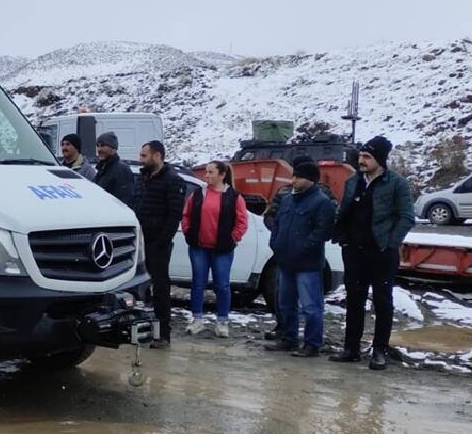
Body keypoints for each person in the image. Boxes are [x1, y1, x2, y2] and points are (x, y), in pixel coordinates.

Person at [329, 135, 415, 370]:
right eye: (361, 156)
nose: (362, 160)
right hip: (354, 251)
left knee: (382, 301)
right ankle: (351, 348)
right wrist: (342, 237)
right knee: (354, 300)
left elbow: (407, 216)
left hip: (381, 252)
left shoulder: (396, 183)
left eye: (367, 157)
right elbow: (344, 209)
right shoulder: (353, 181)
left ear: (380, 159)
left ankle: (379, 350)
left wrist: (390, 243)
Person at [264, 159, 336, 357]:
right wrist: (275, 243)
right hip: (285, 261)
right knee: (285, 303)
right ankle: (289, 339)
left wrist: (303, 248)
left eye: (298, 176)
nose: (293, 179)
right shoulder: (287, 200)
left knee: (311, 306)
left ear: (311, 180)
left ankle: (312, 344)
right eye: (293, 175)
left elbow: (323, 232)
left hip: (308, 264)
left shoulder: (322, 203)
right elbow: (276, 223)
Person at [181, 160, 248, 337]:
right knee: (198, 283)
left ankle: (222, 321)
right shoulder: (198, 194)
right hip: (199, 247)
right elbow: (186, 215)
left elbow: (242, 222)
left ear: (222, 175)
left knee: (222, 285)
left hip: (222, 249)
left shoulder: (233, 196)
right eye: (206, 172)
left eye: (211, 172)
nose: (207, 176)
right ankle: (197, 319)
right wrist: (188, 232)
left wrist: (233, 238)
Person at [134, 140, 185, 348]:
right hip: (140, 241)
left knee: (160, 289)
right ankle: (139, 328)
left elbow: (174, 217)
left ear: (157, 156)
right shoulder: (144, 178)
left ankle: (163, 333)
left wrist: (161, 242)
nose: (141, 159)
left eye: (144, 156)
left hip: (157, 243)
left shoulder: (173, 181)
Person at [91, 131, 133, 206]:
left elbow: (124, 200)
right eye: (98, 146)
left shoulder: (122, 170)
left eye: (103, 145)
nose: (99, 149)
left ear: (113, 149)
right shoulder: (102, 168)